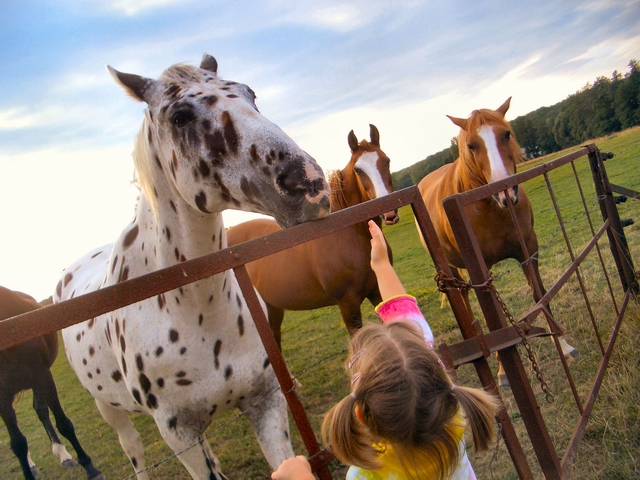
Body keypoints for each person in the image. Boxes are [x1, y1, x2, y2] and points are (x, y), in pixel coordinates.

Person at [272, 220, 501, 480]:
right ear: (440, 375)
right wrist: (382, 265)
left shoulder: (367, 474)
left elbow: (412, 331)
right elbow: (408, 323)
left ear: (361, 415)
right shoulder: (453, 422)